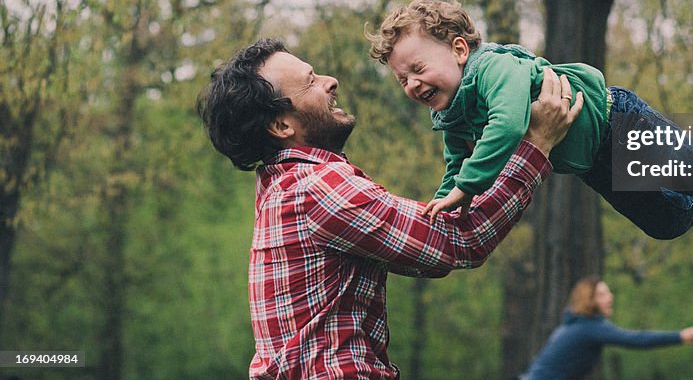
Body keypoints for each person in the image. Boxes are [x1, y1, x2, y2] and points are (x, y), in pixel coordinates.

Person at [195, 38, 583, 380]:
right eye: (311, 81)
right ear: (281, 125)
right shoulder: (318, 191)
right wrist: (535, 146)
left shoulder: (283, 190)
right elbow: (457, 242)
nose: (330, 81)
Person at [366, 0, 693, 239]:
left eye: (418, 70)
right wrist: (442, 205)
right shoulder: (452, 116)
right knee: (669, 221)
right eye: (403, 80)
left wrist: (467, 187)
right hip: (593, 164)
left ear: (460, 49)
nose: (412, 86)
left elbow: (510, 123)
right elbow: (456, 166)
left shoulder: (493, 68)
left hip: (618, 122)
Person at [522, 276, 693, 379]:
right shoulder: (588, 327)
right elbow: (635, 339)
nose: (610, 297)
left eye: (609, 292)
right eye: (603, 294)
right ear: (590, 300)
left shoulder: (574, 325)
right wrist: (680, 336)